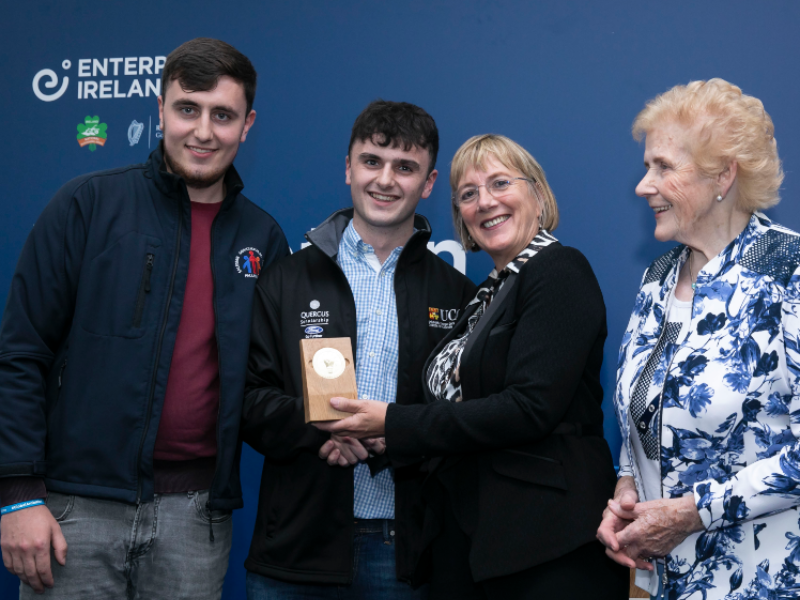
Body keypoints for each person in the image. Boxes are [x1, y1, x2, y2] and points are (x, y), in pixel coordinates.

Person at [0, 38, 289, 599]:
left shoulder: (263, 238)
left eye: (222, 115)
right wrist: (18, 495)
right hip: (74, 511)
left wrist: (332, 428)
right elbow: (21, 353)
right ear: (160, 110)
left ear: (247, 124)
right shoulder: (86, 204)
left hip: (196, 520)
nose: (203, 131)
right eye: (188, 109)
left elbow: (265, 384)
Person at [319, 134, 628, 599]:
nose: (485, 202)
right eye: (468, 194)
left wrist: (394, 420)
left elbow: (529, 407)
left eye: (500, 183)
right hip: (472, 544)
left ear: (537, 194)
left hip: (545, 546)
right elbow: (461, 415)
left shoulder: (558, 269)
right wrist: (382, 437)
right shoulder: (485, 295)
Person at [241, 100, 476, 598]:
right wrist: (320, 426)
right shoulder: (286, 277)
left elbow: (466, 420)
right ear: (349, 168)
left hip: (404, 549)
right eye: (372, 161)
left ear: (429, 183)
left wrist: (394, 434)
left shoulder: (455, 293)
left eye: (405, 167)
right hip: (295, 549)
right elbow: (248, 400)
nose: (385, 180)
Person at [596, 79, 798, 600]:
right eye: (647, 167)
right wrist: (627, 491)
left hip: (765, 581)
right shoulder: (658, 277)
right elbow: (644, 416)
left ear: (723, 175)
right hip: (663, 583)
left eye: (663, 167)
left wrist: (692, 513)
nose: (644, 185)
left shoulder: (789, 271)